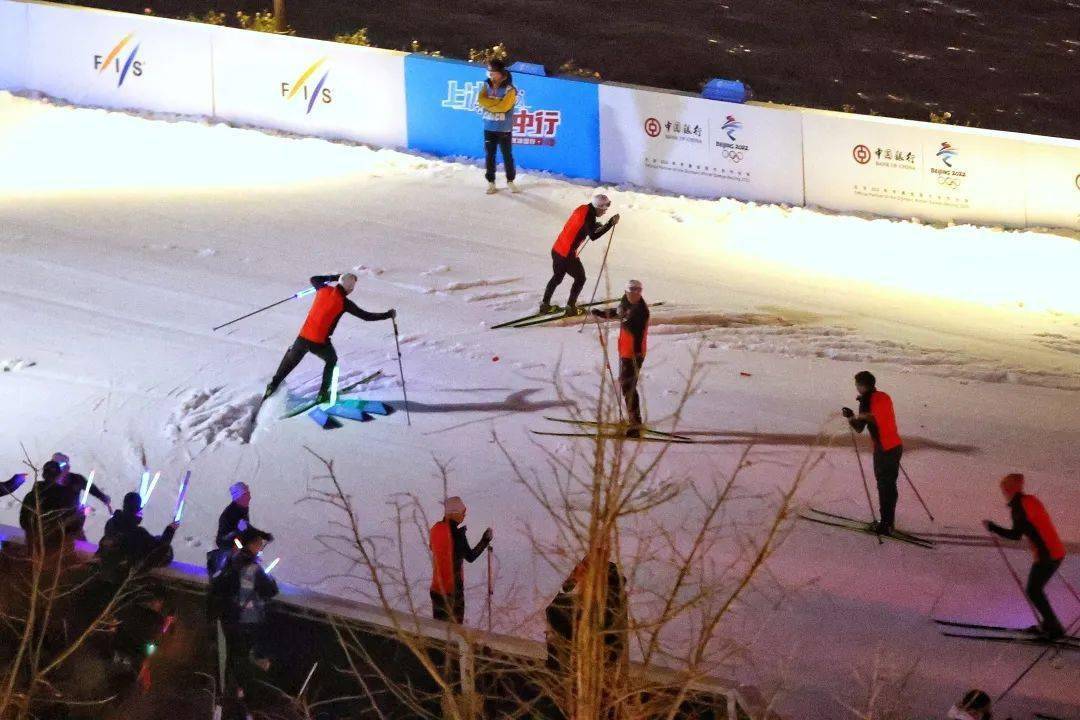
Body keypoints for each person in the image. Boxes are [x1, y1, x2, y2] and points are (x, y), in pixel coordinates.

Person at [264, 273, 396, 403]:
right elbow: (366, 316)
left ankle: (272, 386)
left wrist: (334, 277)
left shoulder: (323, 289)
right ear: (350, 289)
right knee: (331, 359)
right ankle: (323, 395)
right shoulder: (344, 303)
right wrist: (387, 315)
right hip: (319, 342)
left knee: (290, 360)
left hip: (302, 338)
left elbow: (314, 278)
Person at [984, 473, 1066, 639]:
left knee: (1034, 590)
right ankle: (1050, 624)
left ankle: (1054, 628)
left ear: (1010, 489)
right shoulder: (1029, 500)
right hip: (1055, 551)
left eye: (1005, 489)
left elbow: (1015, 535)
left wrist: (992, 527)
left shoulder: (1019, 508)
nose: (1004, 493)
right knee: (1036, 590)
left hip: (1047, 555)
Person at [209, 526, 279, 719]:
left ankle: (227, 697)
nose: (261, 547)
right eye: (259, 544)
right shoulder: (253, 568)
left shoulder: (231, 561)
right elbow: (270, 590)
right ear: (253, 544)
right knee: (240, 658)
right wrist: (270, 579)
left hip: (228, 618)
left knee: (231, 658)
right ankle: (238, 698)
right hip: (245, 621)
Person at [842, 371, 902, 534]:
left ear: (862, 385)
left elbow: (859, 428)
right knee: (890, 485)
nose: (856, 387)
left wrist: (851, 416)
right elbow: (881, 417)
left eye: (857, 385)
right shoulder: (884, 396)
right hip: (896, 444)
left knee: (884, 486)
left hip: (884, 448)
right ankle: (889, 521)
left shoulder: (866, 401)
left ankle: (886, 525)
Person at [541, 194, 620, 317]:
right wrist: (609, 224)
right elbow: (593, 236)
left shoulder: (583, 208)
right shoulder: (589, 216)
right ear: (598, 207)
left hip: (557, 249)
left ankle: (545, 305)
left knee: (557, 277)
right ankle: (570, 307)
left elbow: (582, 224)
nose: (605, 212)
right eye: (604, 210)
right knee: (580, 278)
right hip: (567, 255)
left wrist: (594, 226)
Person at [591, 280, 650, 437]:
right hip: (625, 351)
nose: (636, 293)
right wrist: (602, 314)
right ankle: (634, 420)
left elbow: (629, 323)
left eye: (639, 290)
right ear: (626, 291)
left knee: (628, 386)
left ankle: (636, 424)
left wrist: (623, 317)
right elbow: (618, 312)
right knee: (626, 385)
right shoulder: (625, 303)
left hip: (635, 353)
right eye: (632, 290)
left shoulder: (641, 311)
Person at [20, 453, 112, 550]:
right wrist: (81, 514)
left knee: (82, 547)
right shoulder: (44, 492)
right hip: (59, 531)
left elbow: (90, 488)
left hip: (70, 526)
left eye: (61, 464)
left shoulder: (76, 479)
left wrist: (103, 498)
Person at [429, 496, 492, 623]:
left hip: (436, 589)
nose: (464, 516)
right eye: (463, 513)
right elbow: (470, 556)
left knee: (438, 629)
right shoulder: (457, 535)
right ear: (454, 513)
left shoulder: (435, 529)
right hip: (453, 592)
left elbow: (432, 547)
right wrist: (485, 540)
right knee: (454, 631)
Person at [95, 492, 179, 584]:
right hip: (121, 574)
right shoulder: (138, 533)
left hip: (108, 567)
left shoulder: (111, 523)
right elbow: (160, 547)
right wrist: (170, 530)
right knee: (165, 549)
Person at [477, 59, 518, 195]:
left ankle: (510, 181)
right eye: (490, 72)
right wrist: (496, 105)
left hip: (504, 129)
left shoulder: (510, 89)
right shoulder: (485, 85)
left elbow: (504, 106)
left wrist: (490, 105)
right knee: (490, 156)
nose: (491, 75)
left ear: (501, 73)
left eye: (493, 73)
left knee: (507, 156)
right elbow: (481, 100)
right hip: (489, 127)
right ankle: (491, 182)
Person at [216, 481, 255, 550]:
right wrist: (238, 531)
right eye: (247, 495)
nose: (250, 497)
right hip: (230, 554)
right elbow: (221, 541)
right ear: (239, 498)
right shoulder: (229, 514)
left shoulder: (243, 510)